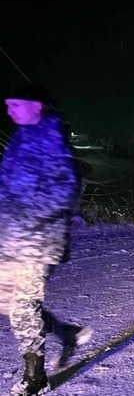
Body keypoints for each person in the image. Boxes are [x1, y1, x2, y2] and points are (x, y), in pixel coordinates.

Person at [0, 84, 92, 396]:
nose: (9, 109)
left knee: (22, 306)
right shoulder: (20, 136)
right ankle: (66, 334)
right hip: (12, 236)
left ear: (37, 106)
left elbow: (65, 189)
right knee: (8, 303)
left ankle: (36, 379)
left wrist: (27, 214)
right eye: (8, 103)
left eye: (15, 103)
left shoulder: (50, 134)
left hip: (37, 239)